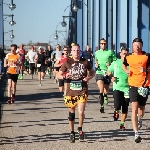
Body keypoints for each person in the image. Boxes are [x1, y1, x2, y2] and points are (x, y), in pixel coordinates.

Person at [57, 44, 95, 143]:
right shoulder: (67, 62)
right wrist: (65, 77)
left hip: (82, 90)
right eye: (74, 50)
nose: (76, 52)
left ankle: (80, 128)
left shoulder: (85, 61)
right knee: (72, 114)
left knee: (81, 112)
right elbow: (58, 75)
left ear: (80, 51)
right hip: (71, 91)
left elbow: (92, 72)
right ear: (71, 52)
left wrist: (89, 78)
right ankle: (72, 132)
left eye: (78, 50)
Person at [122, 38, 150, 143]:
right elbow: (123, 65)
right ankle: (136, 133)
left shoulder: (147, 56)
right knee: (133, 108)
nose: (137, 47)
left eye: (139, 45)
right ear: (132, 46)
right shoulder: (128, 57)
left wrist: (146, 70)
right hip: (132, 85)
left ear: (142, 46)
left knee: (141, 110)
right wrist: (126, 71)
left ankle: (140, 118)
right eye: (135, 45)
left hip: (144, 86)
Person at [107, 47, 130, 131]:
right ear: (120, 54)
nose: (125, 55)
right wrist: (111, 77)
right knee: (117, 105)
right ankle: (116, 111)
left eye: (127, 54)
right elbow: (108, 70)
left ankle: (122, 124)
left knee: (125, 107)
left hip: (127, 87)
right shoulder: (116, 62)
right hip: (117, 87)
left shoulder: (130, 63)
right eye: (124, 54)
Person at [95, 38, 116, 113]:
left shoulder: (110, 52)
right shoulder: (97, 52)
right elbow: (96, 60)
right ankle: (101, 106)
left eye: (104, 43)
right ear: (99, 44)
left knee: (106, 90)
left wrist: (110, 65)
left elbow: (115, 61)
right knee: (101, 89)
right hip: (99, 72)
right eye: (101, 43)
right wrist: (96, 64)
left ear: (106, 44)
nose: (103, 45)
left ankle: (105, 96)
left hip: (107, 72)